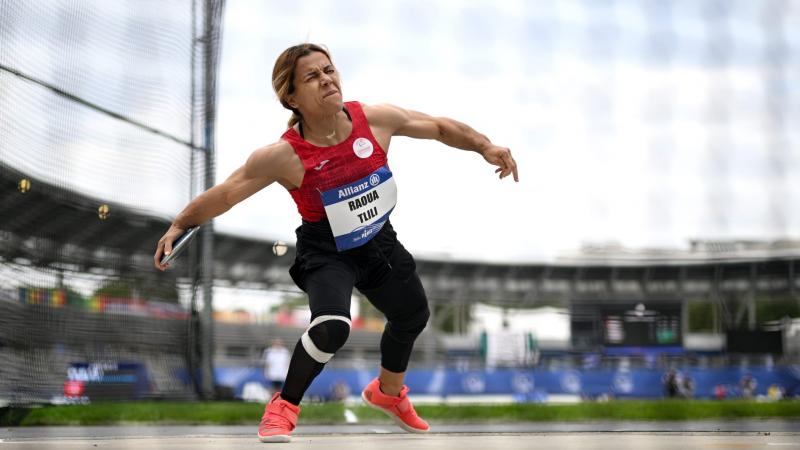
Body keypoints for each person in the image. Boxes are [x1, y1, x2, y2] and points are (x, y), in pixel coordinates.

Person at [154, 43, 518, 443]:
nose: (327, 78)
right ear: (291, 97)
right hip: (327, 251)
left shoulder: (375, 120)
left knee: (413, 314)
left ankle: (388, 394)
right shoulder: (283, 155)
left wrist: (486, 145)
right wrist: (179, 224)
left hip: (380, 242)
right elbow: (226, 193)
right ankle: (284, 407)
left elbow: (439, 127)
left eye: (329, 70)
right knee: (331, 327)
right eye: (312, 76)